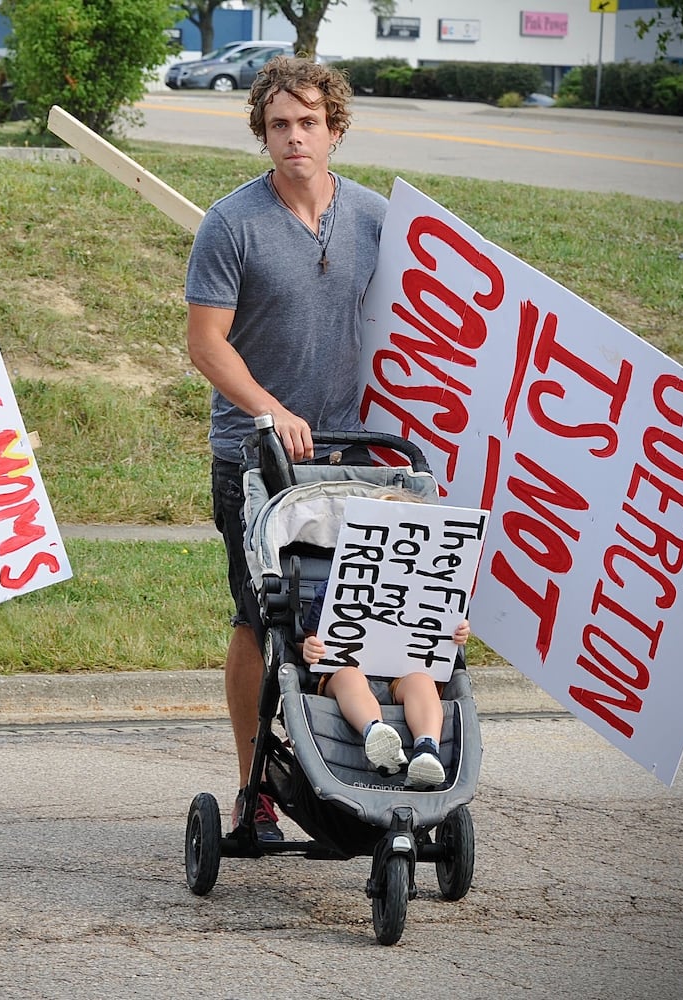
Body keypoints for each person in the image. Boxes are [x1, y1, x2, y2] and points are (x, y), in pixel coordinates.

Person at [185, 56, 389, 842]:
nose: (293, 137)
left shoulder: (374, 218)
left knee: (353, 617)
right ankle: (252, 790)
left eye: (308, 122)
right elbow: (206, 344)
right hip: (254, 455)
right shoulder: (231, 223)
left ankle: (352, 768)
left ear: (334, 129)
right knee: (259, 618)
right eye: (279, 125)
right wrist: (271, 413)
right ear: (262, 133)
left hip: (349, 457)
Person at [301, 578, 471, 789]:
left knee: (422, 682)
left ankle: (427, 749)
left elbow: (444, 628)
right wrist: (310, 647)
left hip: (404, 673)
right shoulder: (339, 582)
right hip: (346, 668)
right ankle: (375, 733)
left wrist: (457, 632)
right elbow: (311, 636)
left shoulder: (435, 587)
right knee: (349, 678)